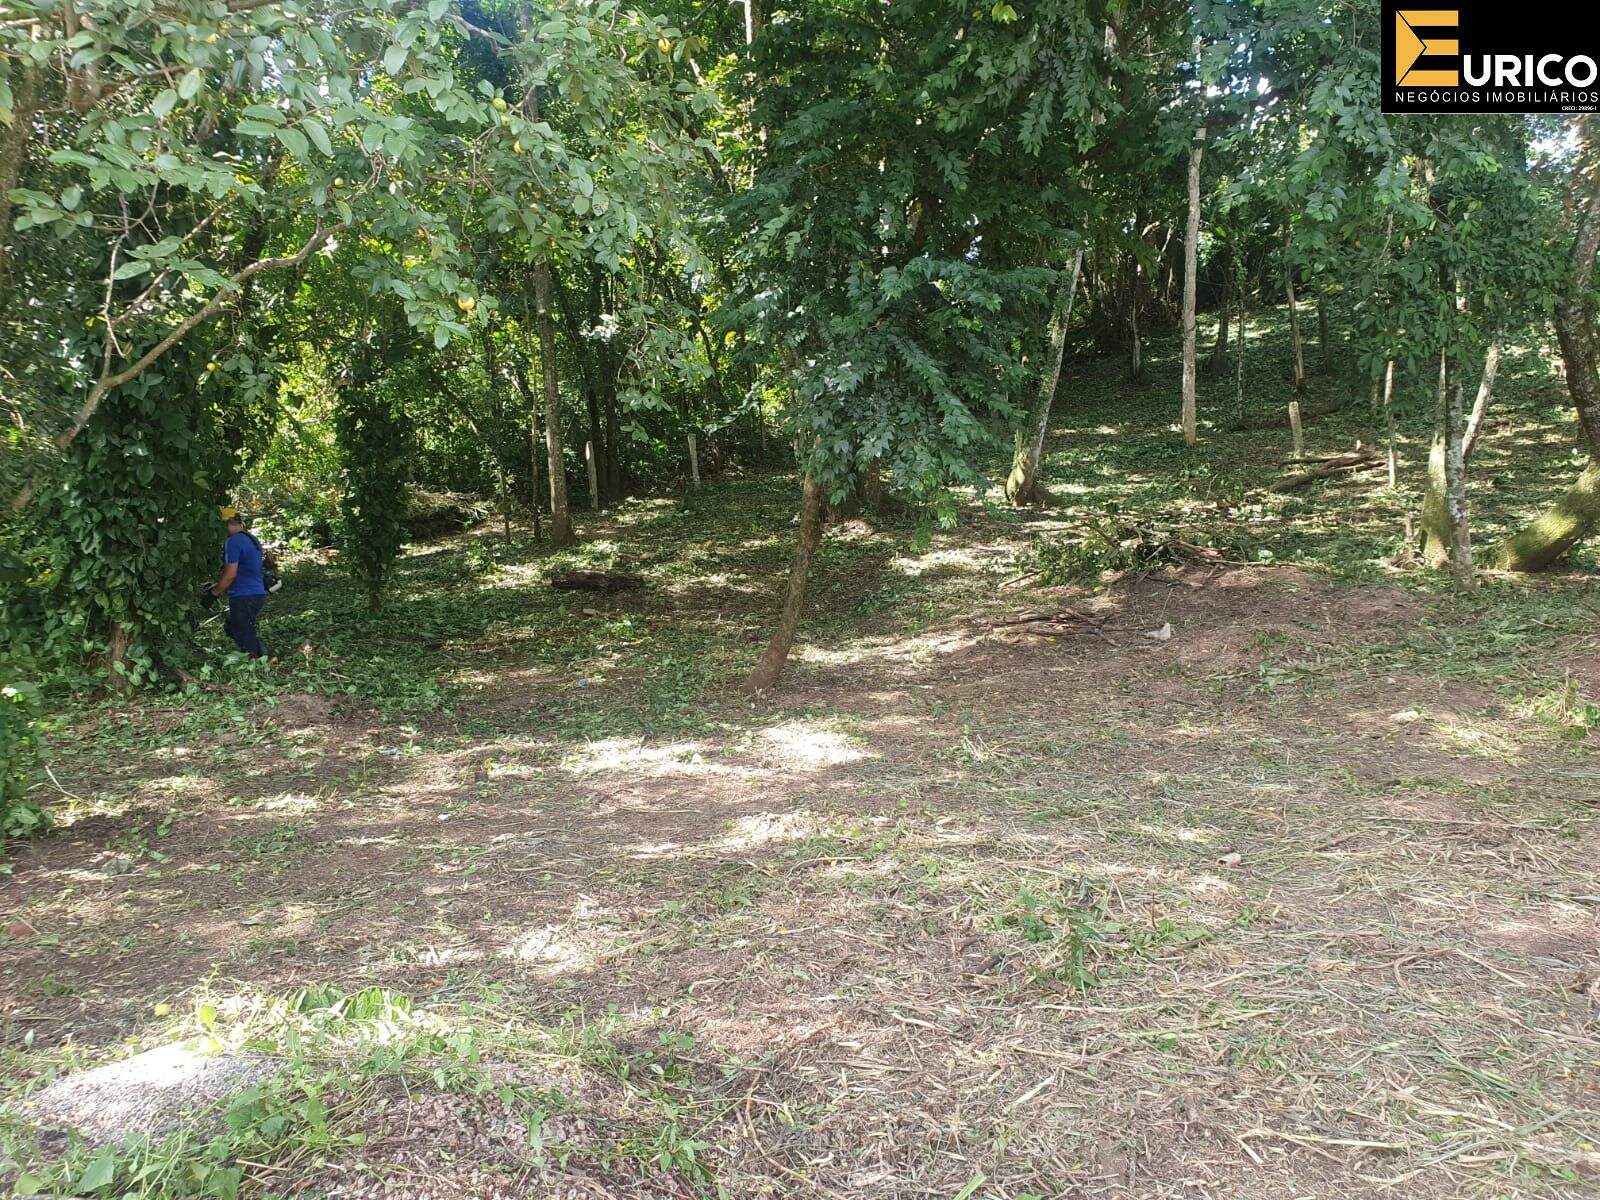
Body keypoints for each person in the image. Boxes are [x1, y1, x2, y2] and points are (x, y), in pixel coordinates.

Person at [211, 507, 268, 658]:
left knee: (243, 631)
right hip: (256, 593)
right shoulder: (251, 539)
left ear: (227, 524)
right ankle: (259, 655)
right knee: (235, 627)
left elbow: (230, 574)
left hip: (245, 595)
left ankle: (255, 662)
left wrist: (214, 593)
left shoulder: (234, 541)